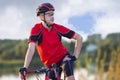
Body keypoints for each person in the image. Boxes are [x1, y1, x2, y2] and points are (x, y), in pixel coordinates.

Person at [19, 2, 82, 80]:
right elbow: (31, 49)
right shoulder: (36, 29)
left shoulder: (57, 28)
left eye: (52, 14)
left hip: (64, 58)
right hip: (50, 64)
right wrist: (25, 67)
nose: (52, 17)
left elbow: (79, 37)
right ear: (42, 16)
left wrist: (74, 56)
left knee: (69, 75)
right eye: (49, 14)